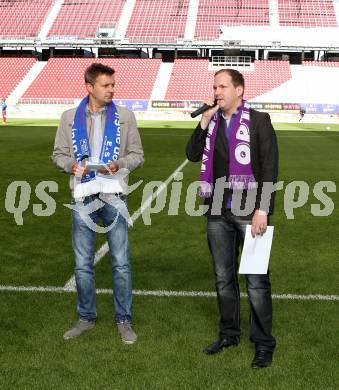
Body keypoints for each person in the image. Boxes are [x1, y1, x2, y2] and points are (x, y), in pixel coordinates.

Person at [186, 69, 278, 369]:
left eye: (223, 86)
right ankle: (229, 334)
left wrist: (262, 209)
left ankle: (263, 344)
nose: (217, 92)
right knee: (223, 278)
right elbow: (191, 154)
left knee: (256, 281)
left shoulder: (259, 120)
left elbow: (269, 167)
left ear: (239, 89)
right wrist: (202, 123)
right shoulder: (210, 121)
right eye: (215, 86)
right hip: (216, 210)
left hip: (250, 210)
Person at [52, 63, 144, 344]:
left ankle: (124, 320)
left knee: (121, 262)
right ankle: (86, 317)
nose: (111, 90)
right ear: (89, 87)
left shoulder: (125, 117)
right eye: (106, 85)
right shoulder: (69, 118)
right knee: (82, 263)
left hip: (114, 195)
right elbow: (58, 155)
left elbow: (137, 155)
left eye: (113, 85)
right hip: (82, 195)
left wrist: (119, 165)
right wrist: (73, 166)